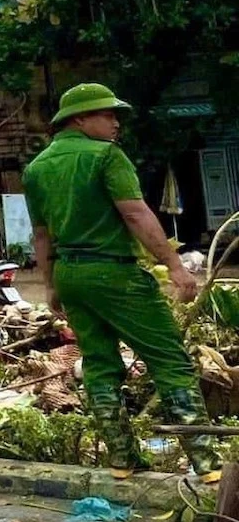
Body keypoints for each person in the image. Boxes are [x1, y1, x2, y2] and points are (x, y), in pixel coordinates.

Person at [24, 83, 213, 481]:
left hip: (71, 275)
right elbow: (135, 214)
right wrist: (175, 266)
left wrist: (51, 284)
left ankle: (122, 460)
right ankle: (208, 464)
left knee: (99, 364)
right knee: (169, 359)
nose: (116, 124)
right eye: (108, 115)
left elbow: (41, 235)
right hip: (114, 272)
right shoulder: (106, 156)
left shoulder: (37, 167)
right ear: (80, 119)